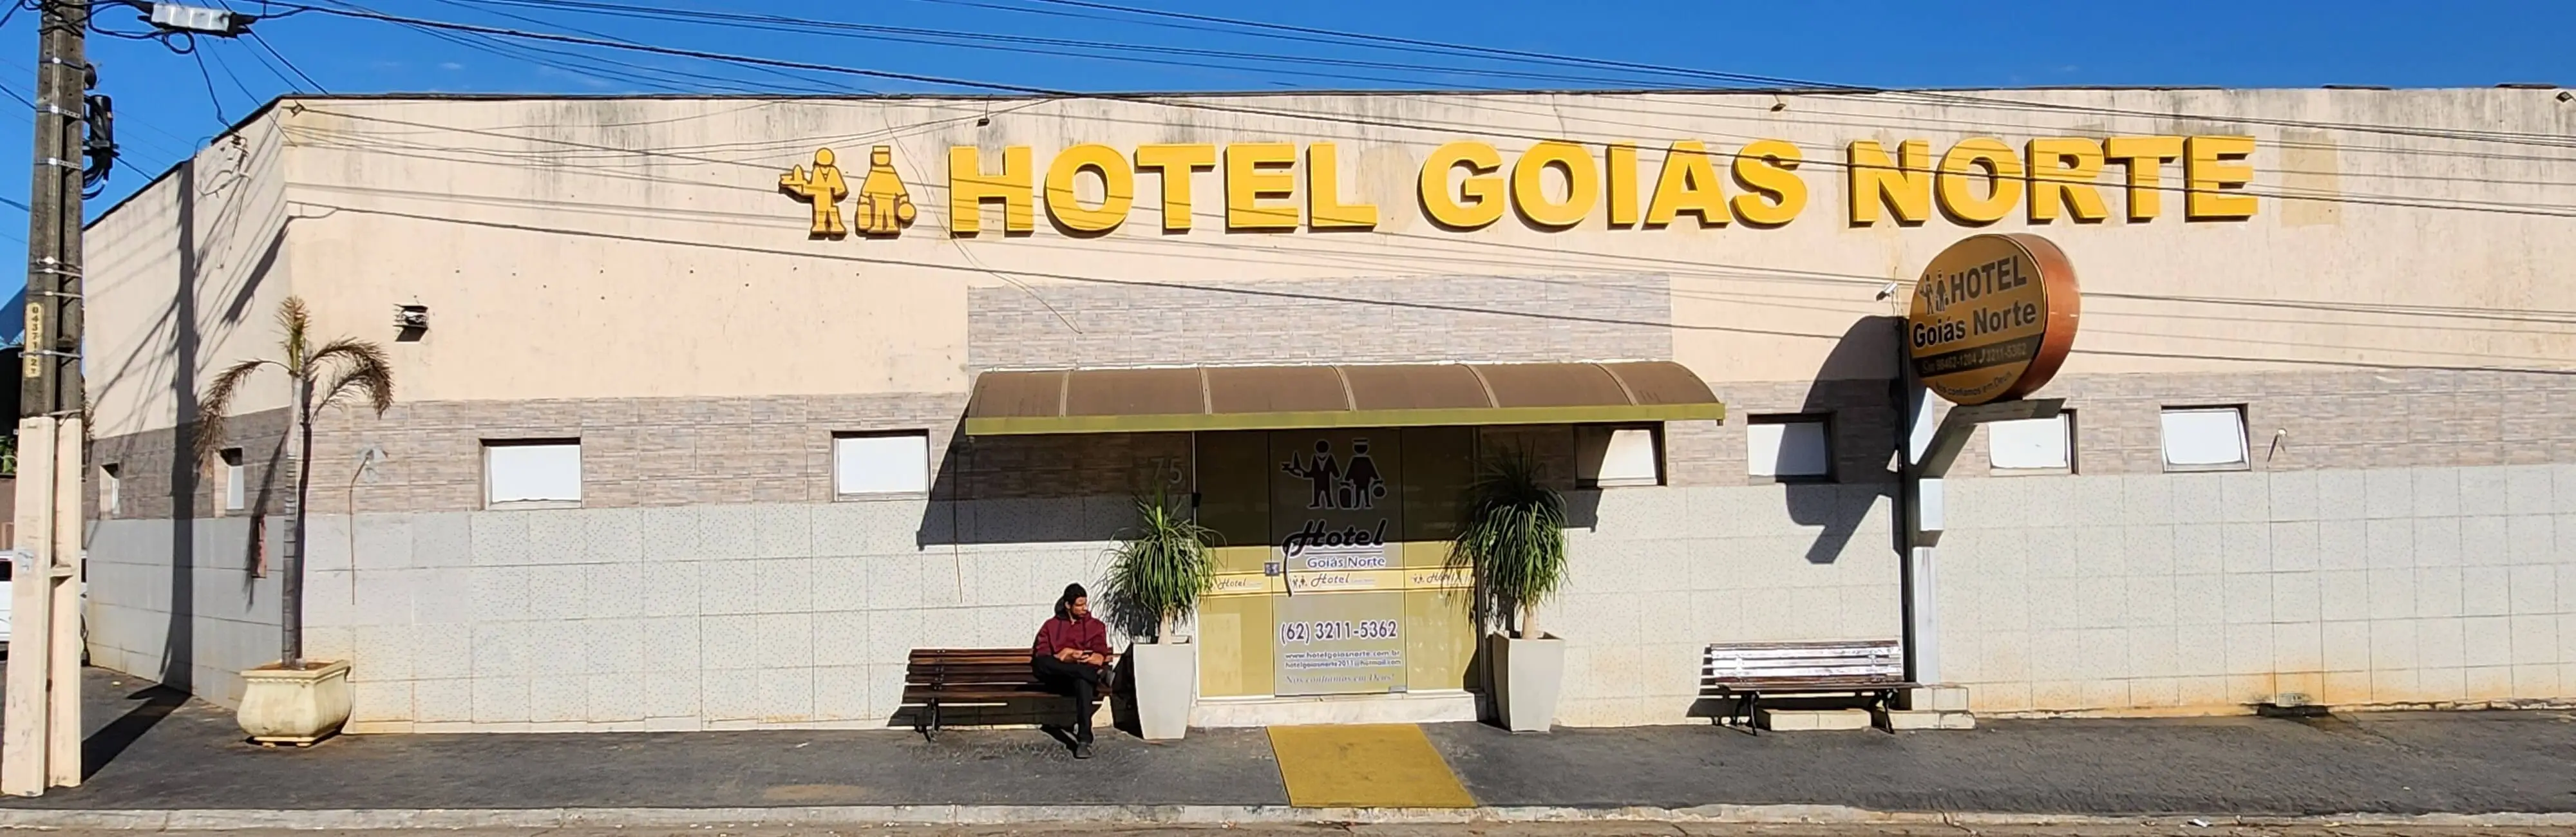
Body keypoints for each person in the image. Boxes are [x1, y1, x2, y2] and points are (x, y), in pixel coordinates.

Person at [1031, 583, 1116, 758]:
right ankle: (1099, 675)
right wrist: (1065, 657)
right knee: (1042, 663)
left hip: (1079, 679)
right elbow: (1042, 655)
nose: (1085, 608)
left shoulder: (1095, 626)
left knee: (1083, 681)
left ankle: (1083, 741)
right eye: (1079, 605)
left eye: (1085, 604)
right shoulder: (1051, 626)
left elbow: (1099, 657)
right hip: (1057, 679)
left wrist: (1069, 656)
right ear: (1068, 605)